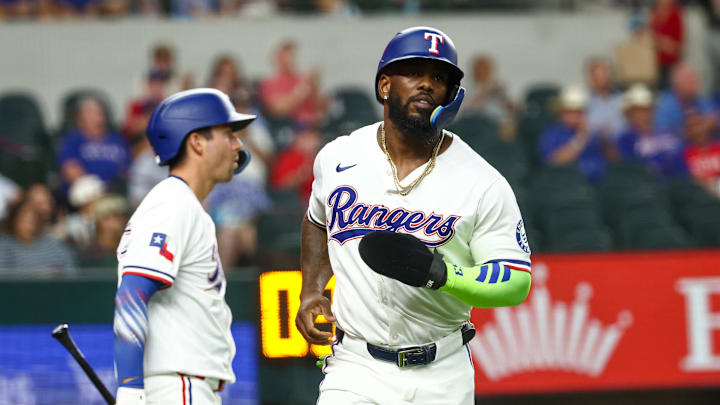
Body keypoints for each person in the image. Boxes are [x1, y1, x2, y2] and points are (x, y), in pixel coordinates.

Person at [296, 27, 532, 405]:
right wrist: (310, 292)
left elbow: (515, 281)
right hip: (355, 367)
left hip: (442, 371)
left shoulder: (483, 181)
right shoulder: (338, 157)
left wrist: (444, 275)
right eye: (413, 72)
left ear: (451, 95)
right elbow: (316, 220)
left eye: (439, 78)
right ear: (385, 86)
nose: (425, 84)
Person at [113, 88, 255, 405]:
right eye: (229, 134)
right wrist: (130, 388)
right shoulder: (172, 203)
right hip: (176, 385)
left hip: (185, 385)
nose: (238, 144)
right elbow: (132, 293)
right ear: (196, 142)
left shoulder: (182, 204)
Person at [539, 84, 614, 182]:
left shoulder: (593, 134)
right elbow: (555, 162)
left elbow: (613, 160)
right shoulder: (552, 134)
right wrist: (581, 138)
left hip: (598, 186)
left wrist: (606, 140)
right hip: (567, 186)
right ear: (561, 113)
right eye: (570, 112)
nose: (574, 116)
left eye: (578, 112)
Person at [57, 96, 131, 194]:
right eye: (90, 114)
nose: (97, 118)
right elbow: (70, 170)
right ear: (80, 119)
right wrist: (96, 188)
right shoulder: (73, 141)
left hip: (115, 190)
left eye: (99, 114)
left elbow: (128, 169)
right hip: (85, 190)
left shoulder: (117, 140)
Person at [617, 83, 687, 178]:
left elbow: (682, 161)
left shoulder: (668, 134)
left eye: (647, 109)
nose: (645, 115)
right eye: (639, 111)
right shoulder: (625, 140)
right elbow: (637, 170)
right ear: (629, 115)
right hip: (650, 189)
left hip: (680, 184)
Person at [0, 195, 76, 277]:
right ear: (14, 221)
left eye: (32, 219)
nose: (29, 224)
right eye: (23, 219)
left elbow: (70, 271)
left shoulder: (54, 245)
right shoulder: (4, 247)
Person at [259, 40, 329, 127]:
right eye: (285, 56)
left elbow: (324, 107)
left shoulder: (303, 79)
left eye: (292, 56)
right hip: (292, 128)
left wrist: (315, 87)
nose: (289, 60)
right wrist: (302, 89)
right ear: (277, 59)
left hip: (315, 125)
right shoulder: (269, 83)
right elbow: (278, 109)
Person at [463, 54, 516, 141]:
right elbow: (466, 110)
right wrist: (484, 92)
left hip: (500, 125)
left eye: (487, 68)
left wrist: (504, 97)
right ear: (474, 71)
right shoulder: (466, 87)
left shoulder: (499, 85)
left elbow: (514, 109)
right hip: (477, 123)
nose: (484, 71)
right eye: (481, 68)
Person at [654, 62, 716, 136]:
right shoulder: (664, 105)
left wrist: (709, 124)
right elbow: (661, 131)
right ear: (676, 84)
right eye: (688, 79)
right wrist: (691, 131)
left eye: (694, 78)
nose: (694, 82)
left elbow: (712, 118)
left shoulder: (701, 100)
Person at [584, 57, 625, 140]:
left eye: (605, 74)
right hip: (593, 145)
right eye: (597, 75)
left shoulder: (623, 100)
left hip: (621, 144)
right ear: (590, 78)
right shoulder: (583, 101)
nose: (602, 79)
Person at [650, 0, 684, 89]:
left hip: (671, 65)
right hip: (655, 64)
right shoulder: (654, 13)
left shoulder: (675, 14)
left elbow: (677, 47)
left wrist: (659, 42)